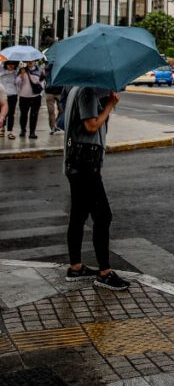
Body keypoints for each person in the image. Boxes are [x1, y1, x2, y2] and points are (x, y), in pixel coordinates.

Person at [64, 86, 130, 291]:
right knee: (103, 216)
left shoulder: (74, 88)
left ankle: (76, 267)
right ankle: (104, 273)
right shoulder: (87, 91)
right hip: (85, 164)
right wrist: (109, 105)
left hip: (77, 162)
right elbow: (91, 126)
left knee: (79, 214)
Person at [17, 60, 44, 139]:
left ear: (34, 61)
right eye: (28, 61)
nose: (30, 62)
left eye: (32, 61)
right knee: (23, 115)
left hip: (36, 97)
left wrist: (40, 94)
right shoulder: (22, 70)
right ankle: (23, 130)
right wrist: (21, 76)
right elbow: (17, 83)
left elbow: (42, 83)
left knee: (34, 115)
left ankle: (32, 132)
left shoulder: (39, 71)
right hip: (24, 96)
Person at [44, 61, 64, 135]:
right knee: (51, 111)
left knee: (62, 110)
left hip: (59, 91)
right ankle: (53, 127)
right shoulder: (48, 68)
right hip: (50, 91)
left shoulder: (60, 67)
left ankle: (56, 124)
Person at [1, 60, 17, 139]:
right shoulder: (1, 71)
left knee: (11, 113)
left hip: (13, 94)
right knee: (3, 113)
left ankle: (10, 131)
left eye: (13, 64)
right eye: (9, 64)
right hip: (3, 95)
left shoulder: (16, 73)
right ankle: (2, 129)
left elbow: (19, 83)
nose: (11, 66)